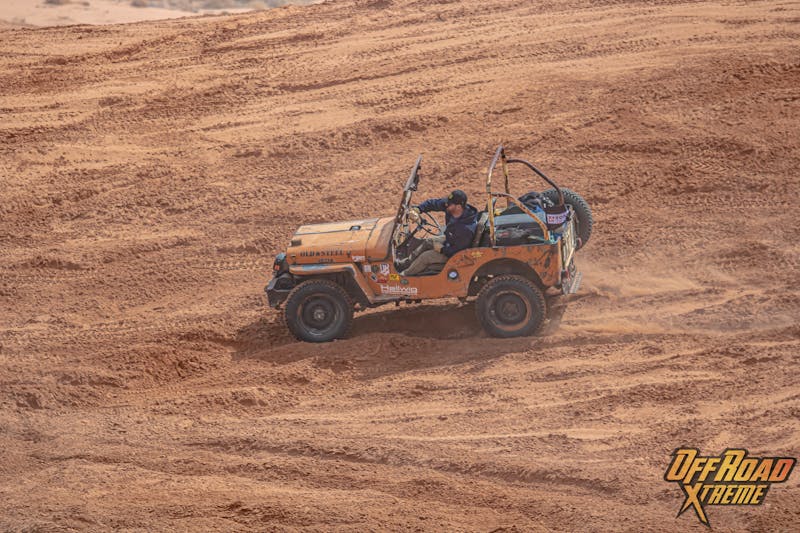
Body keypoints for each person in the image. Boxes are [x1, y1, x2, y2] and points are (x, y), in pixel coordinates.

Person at [397, 189, 478, 276]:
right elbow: (433, 203)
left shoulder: (466, 229)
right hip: (451, 240)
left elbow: (458, 252)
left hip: (455, 255)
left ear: (458, 207)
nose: (446, 204)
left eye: (449, 204)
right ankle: (406, 263)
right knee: (428, 242)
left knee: (426, 257)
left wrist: (442, 249)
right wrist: (418, 210)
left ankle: (404, 275)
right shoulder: (452, 208)